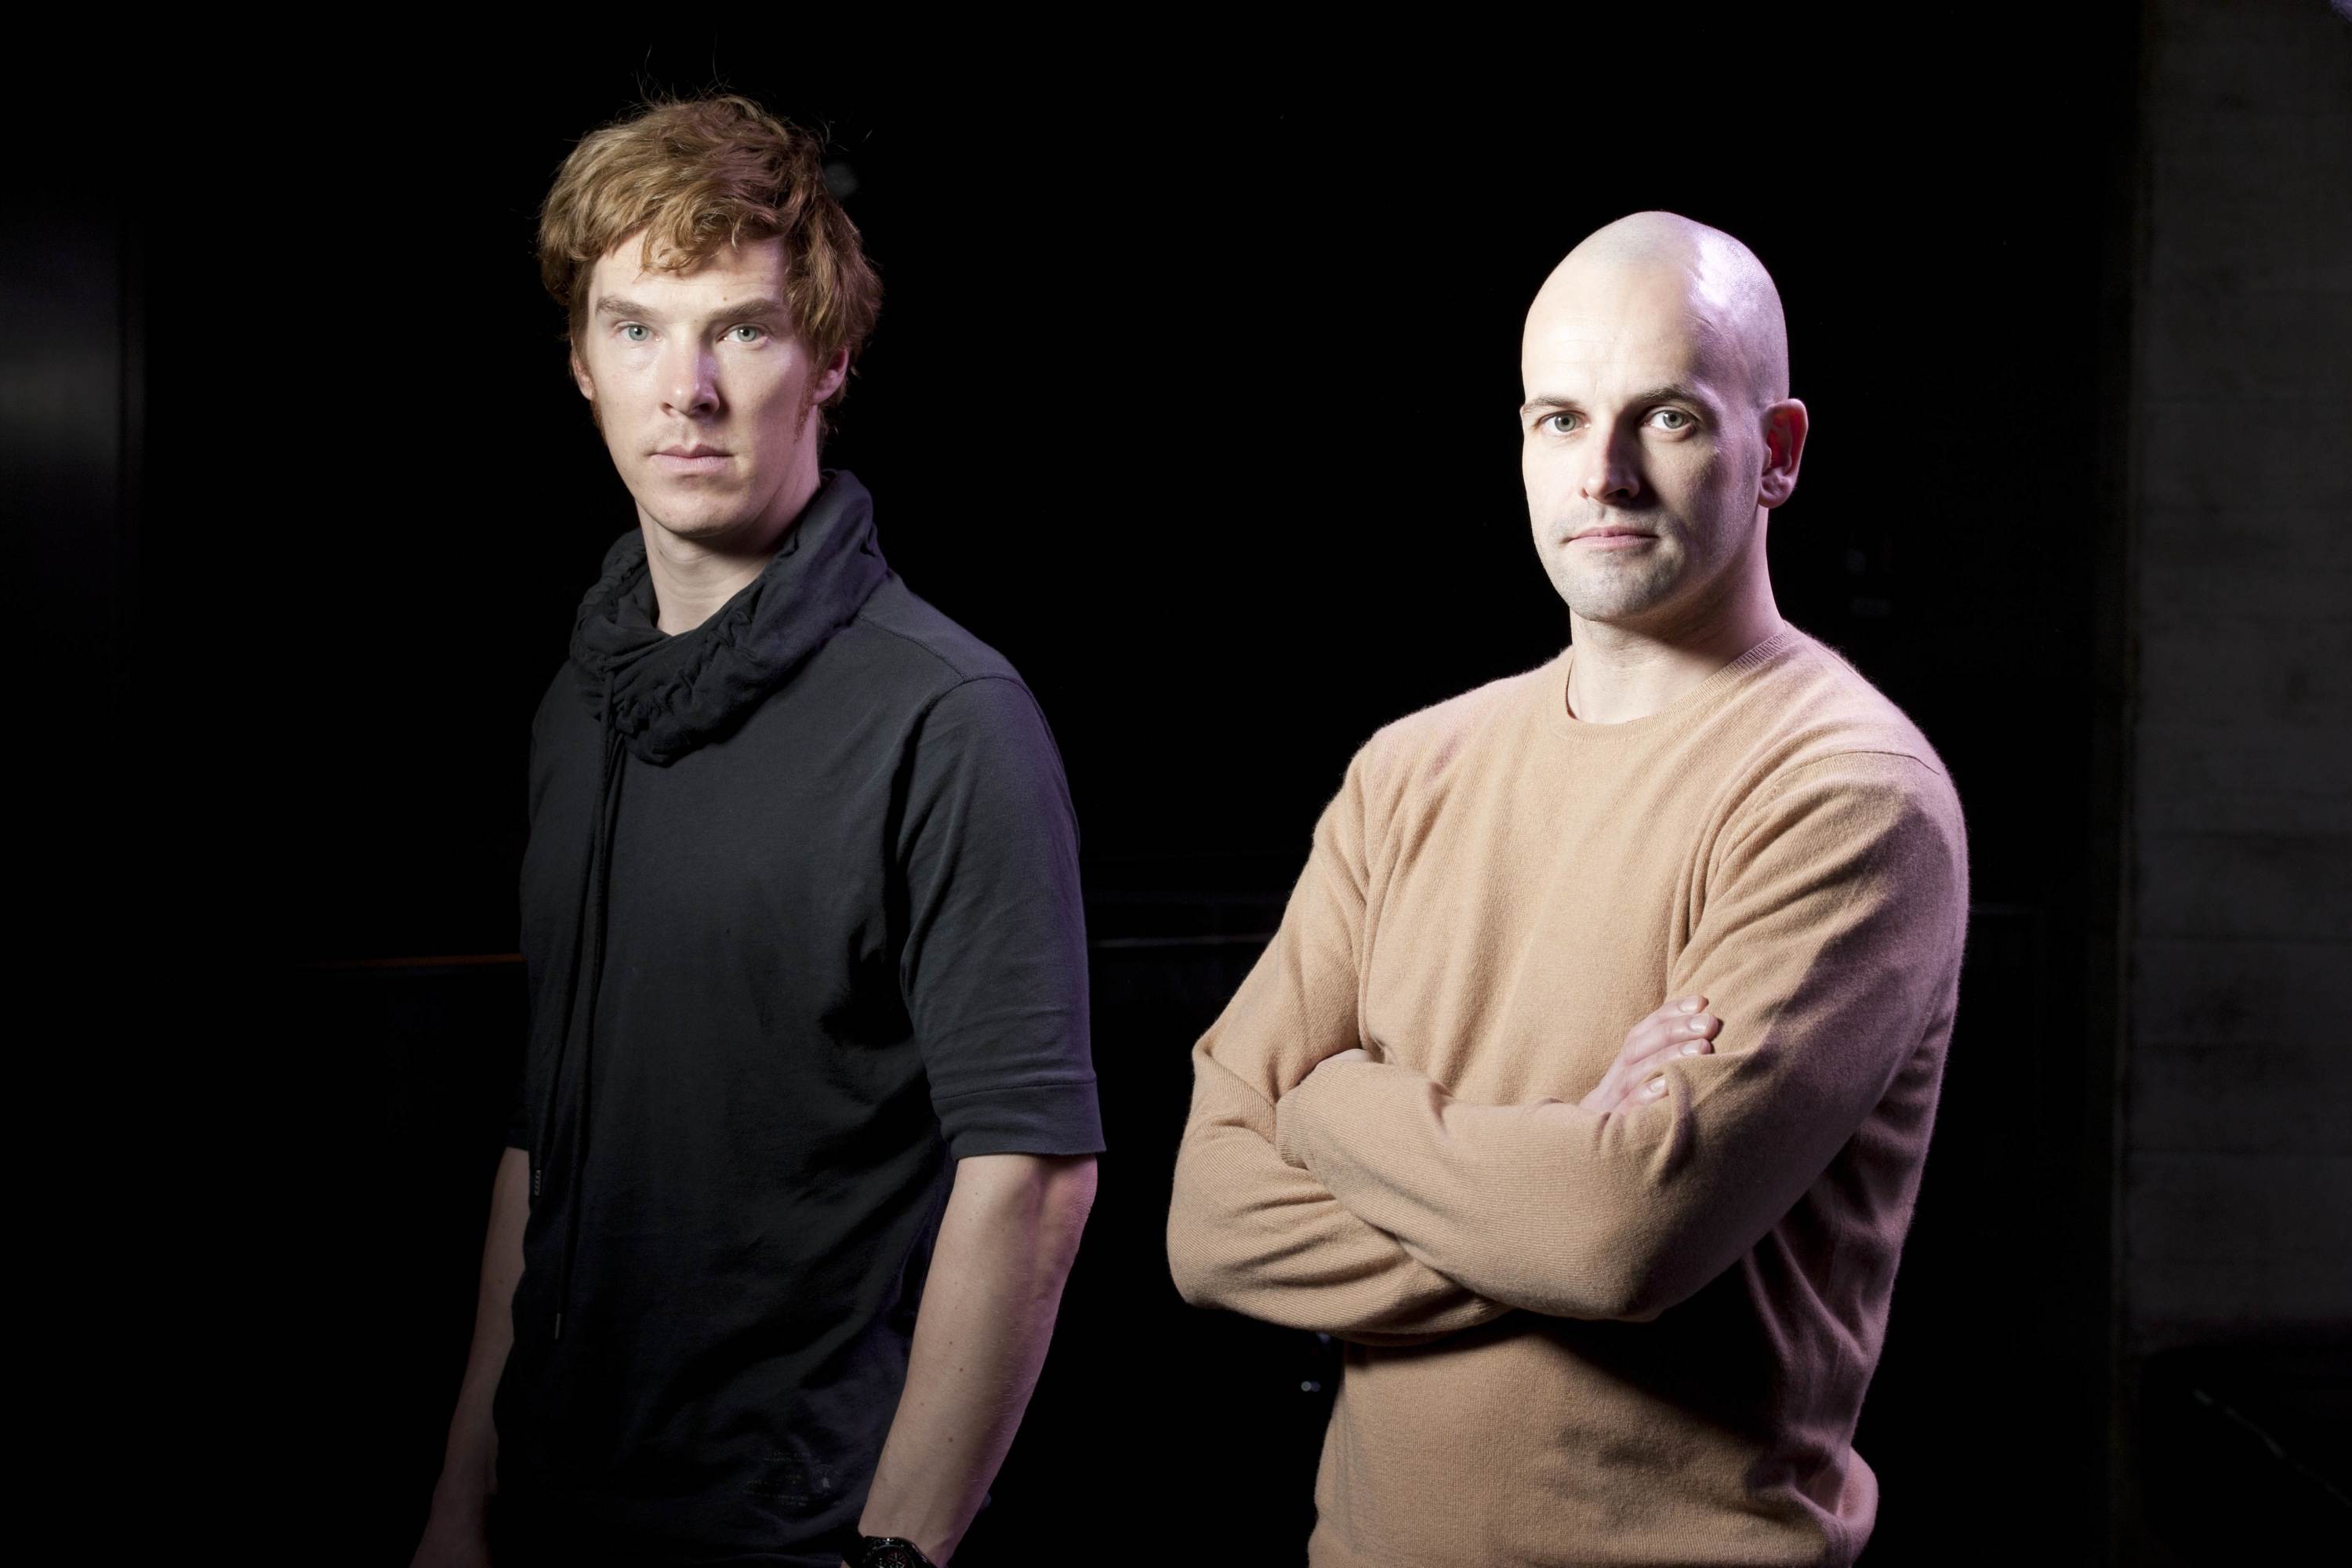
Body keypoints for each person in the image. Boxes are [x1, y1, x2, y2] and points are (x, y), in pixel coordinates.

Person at [1166, 210, 1969, 1566]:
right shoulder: (1410, 769)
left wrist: (1334, 1107)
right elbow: (1208, 1224)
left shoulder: (1848, 795)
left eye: (1667, 418)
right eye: (1560, 419)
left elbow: (1617, 1241)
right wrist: (1556, 1175)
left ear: (1776, 453)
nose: (1604, 474)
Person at [412, 95, 1102, 1568]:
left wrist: (894, 1558)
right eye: (637, 329)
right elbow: (543, 1139)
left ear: (829, 359)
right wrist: (462, 1496)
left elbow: (1034, 1178)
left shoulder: (950, 717)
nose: (687, 391)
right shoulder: (579, 705)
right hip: (551, 1516)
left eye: (742, 330)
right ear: (581, 362)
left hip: (797, 1537)